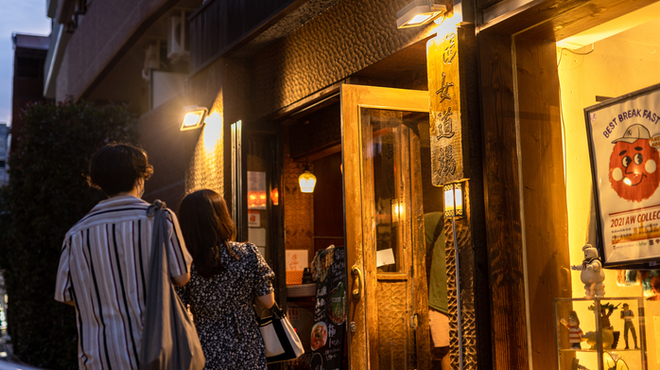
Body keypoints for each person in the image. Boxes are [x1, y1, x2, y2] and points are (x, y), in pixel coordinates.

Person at [54, 143, 192, 369]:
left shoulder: (76, 233)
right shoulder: (161, 219)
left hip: (99, 357)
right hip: (155, 353)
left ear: (99, 183)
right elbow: (181, 277)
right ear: (140, 179)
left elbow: (65, 293)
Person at [176, 189, 275, 370]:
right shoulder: (248, 253)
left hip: (203, 346)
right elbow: (267, 301)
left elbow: (178, 310)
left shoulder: (184, 262)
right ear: (222, 216)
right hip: (246, 344)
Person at [424, 212, 450, 370]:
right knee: (451, 354)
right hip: (441, 302)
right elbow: (411, 227)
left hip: (469, 302)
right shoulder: (440, 220)